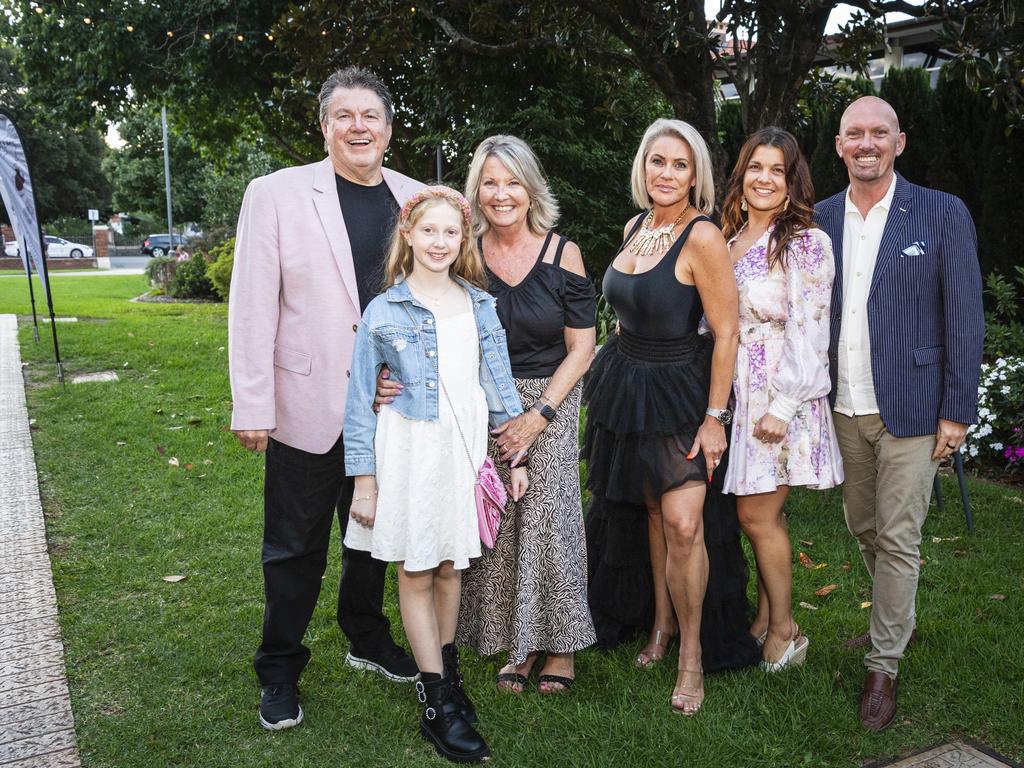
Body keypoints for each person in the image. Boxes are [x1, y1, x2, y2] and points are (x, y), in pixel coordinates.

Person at [228, 66, 422, 732]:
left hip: (389, 408)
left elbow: (436, 304)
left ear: (390, 129)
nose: (358, 126)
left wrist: (415, 374)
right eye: (344, 115)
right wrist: (252, 404)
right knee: (294, 547)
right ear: (324, 127)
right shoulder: (276, 194)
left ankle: (366, 634)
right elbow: (250, 305)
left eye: (371, 115)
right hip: (305, 402)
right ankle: (279, 669)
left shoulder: (419, 199)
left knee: (371, 537)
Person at [815, 96, 984, 730]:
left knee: (899, 535)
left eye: (878, 133)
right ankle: (896, 619)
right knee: (864, 525)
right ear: (839, 146)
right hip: (842, 403)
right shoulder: (819, 218)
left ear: (899, 142)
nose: (866, 143)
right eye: (854, 134)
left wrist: (956, 410)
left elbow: (965, 314)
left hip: (914, 407)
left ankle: (883, 665)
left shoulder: (941, 213)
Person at [344, 186, 526, 764]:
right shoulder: (383, 311)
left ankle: (447, 675)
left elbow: (496, 383)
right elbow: (357, 401)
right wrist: (364, 481)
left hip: (463, 448)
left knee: (451, 564)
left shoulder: (478, 304)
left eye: (451, 232)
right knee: (417, 565)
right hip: (410, 449)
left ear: (463, 239)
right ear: (409, 235)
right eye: (429, 231)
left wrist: (511, 456)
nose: (440, 242)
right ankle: (435, 702)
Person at [583, 118, 758, 716]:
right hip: (627, 384)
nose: (667, 173)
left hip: (682, 389)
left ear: (696, 175)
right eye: (658, 161)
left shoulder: (702, 236)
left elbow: (728, 331)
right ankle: (658, 629)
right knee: (653, 513)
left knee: (685, 524)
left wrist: (716, 417)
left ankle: (692, 655)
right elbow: (625, 308)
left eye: (680, 165)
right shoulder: (635, 227)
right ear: (643, 166)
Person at [448, 135, 597, 694]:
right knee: (500, 517)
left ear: (530, 189)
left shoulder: (565, 254)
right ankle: (517, 640)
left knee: (547, 513)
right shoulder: (464, 253)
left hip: (552, 396)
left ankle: (560, 646)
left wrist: (540, 415)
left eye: (512, 181)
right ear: (477, 191)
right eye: (490, 182)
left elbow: (583, 348)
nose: (501, 193)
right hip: (483, 397)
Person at [719, 126, 845, 670]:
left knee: (755, 516)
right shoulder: (728, 240)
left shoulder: (805, 242)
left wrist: (784, 407)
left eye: (778, 170)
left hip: (780, 395)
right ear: (741, 176)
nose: (765, 179)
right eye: (756, 168)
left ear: (793, 182)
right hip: (739, 391)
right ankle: (766, 619)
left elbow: (811, 329)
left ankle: (786, 632)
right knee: (762, 514)